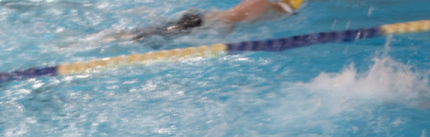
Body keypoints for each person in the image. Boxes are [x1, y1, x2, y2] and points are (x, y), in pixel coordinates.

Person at [128, 0, 303, 41]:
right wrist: (226, 38)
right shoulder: (261, 5)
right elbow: (228, 20)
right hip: (197, 26)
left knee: (146, 35)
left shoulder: (271, 8)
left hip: (199, 23)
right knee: (143, 37)